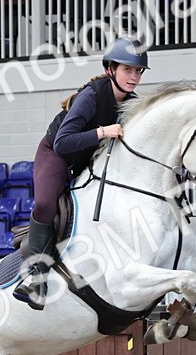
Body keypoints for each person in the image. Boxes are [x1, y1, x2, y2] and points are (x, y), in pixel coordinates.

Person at [13, 37, 149, 309]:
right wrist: (103, 131)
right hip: (56, 154)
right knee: (45, 203)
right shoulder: (91, 96)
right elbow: (63, 142)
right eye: (127, 70)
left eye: (138, 71)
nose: (134, 77)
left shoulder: (132, 104)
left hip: (86, 160)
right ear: (110, 69)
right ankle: (35, 277)